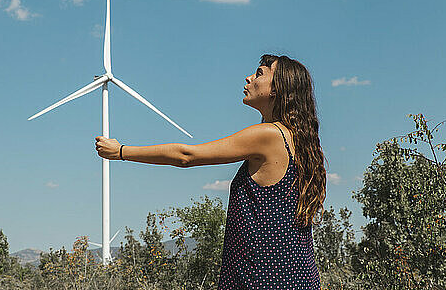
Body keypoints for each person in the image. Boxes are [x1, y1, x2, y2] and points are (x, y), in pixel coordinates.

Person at [95, 54, 326, 289]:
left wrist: (121, 151)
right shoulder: (300, 142)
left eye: (259, 74)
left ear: (278, 89)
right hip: (297, 274)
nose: (248, 78)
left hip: (264, 277)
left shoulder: (267, 135)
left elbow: (187, 156)